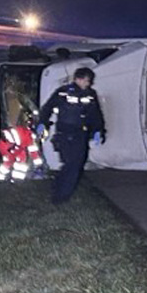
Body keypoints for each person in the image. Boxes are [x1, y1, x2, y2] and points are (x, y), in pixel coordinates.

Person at [37, 67, 105, 204]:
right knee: (71, 165)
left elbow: (95, 114)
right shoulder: (63, 93)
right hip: (65, 133)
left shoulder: (90, 94)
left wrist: (98, 130)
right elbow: (47, 108)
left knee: (75, 164)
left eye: (89, 81)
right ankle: (60, 196)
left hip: (81, 133)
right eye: (86, 81)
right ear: (78, 79)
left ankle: (59, 190)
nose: (88, 84)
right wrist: (42, 123)